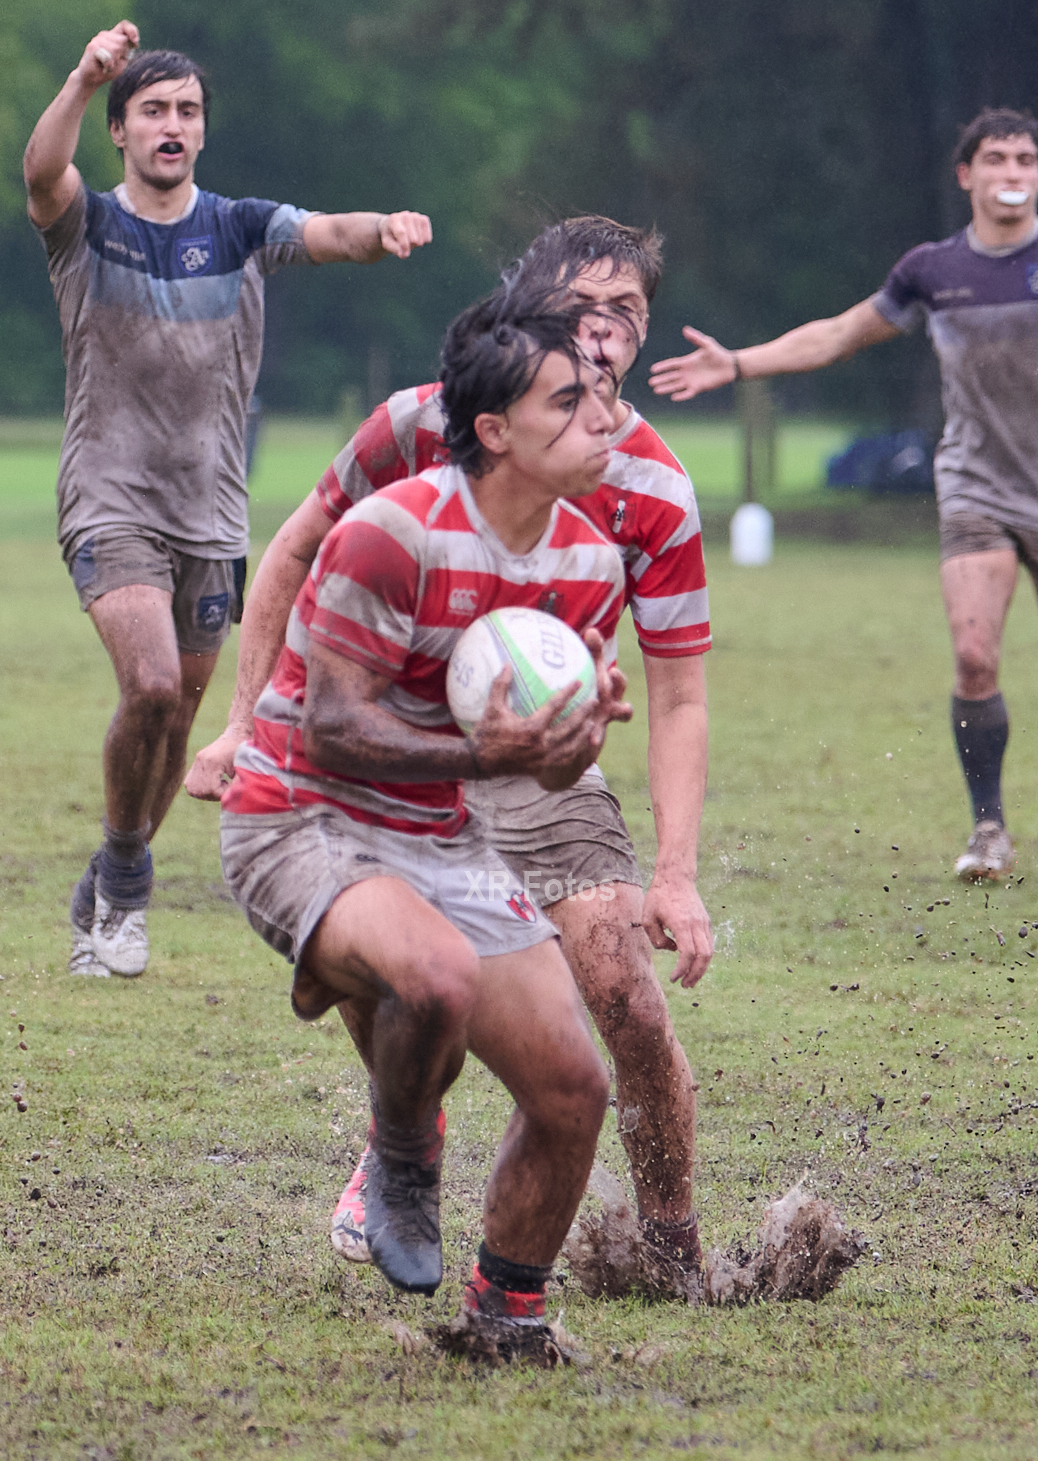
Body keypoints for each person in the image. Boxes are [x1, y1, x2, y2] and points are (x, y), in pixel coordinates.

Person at [188, 217, 716, 1295]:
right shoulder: (411, 451)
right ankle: (404, 1141)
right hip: (364, 771)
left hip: (516, 761)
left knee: (617, 1002)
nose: (605, 336)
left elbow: (676, 693)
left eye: (627, 314)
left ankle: (658, 1254)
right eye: (582, 310)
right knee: (410, 972)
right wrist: (240, 722)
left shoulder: (631, 511)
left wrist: (658, 851)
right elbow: (295, 564)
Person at [219, 287, 632, 1363]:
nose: (602, 420)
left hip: (438, 833)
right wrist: (488, 756)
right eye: (567, 403)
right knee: (438, 976)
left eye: (598, 399)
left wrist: (577, 733)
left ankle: (506, 1316)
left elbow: (548, 767)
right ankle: (403, 1158)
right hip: (297, 814)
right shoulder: (391, 533)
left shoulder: (588, 564)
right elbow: (332, 725)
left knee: (574, 1087)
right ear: (493, 430)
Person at [21, 21, 433, 977]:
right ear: (119, 130)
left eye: (188, 111)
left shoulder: (240, 226)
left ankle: (112, 870)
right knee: (152, 686)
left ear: (203, 129)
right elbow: (42, 173)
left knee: (176, 723)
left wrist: (382, 231)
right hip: (109, 498)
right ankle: (129, 885)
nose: (173, 125)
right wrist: (83, 78)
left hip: (211, 513)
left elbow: (328, 234)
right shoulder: (89, 226)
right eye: (153, 111)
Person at [650, 108, 1038, 886]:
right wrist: (740, 364)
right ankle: (989, 827)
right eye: (996, 158)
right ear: (966, 174)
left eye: (1026, 160)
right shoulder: (933, 269)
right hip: (973, 484)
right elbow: (838, 334)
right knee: (974, 656)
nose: (1012, 172)